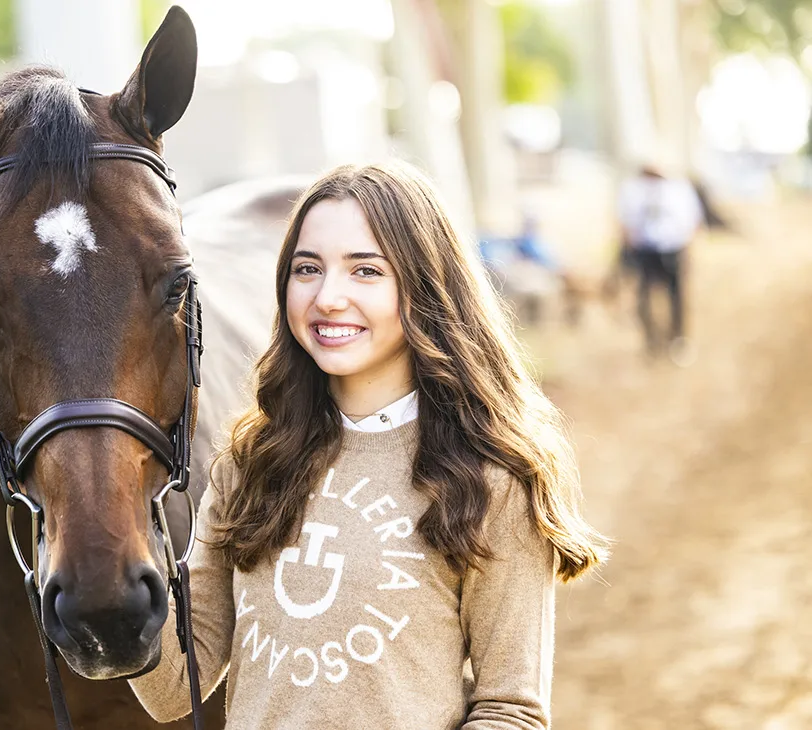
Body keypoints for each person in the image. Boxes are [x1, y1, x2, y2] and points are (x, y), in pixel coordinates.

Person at [127, 163, 608, 729]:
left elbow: (510, 708)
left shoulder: (489, 479)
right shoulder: (250, 461)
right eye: (308, 269)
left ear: (424, 285)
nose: (328, 297)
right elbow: (175, 687)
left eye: (366, 271)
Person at [616, 161, 704, 363]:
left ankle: (678, 339)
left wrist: (688, 250)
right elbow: (624, 223)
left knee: (676, 297)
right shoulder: (633, 190)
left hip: (672, 249)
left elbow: (692, 221)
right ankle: (651, 342)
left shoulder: (678, 190)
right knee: (643, 298)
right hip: (645, 252)